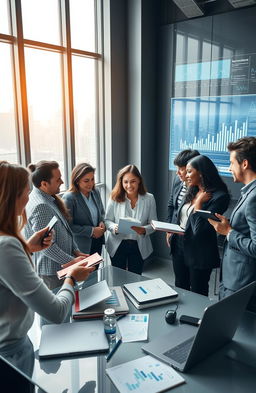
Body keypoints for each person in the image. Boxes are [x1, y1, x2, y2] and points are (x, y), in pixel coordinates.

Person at [0, 161, 94, 383]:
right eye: (25, 190)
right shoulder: (7, 246)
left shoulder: (8, 241)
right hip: (10, 353)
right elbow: (56, 311)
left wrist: (29, 247)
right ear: (13, 196)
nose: (29, 196)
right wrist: (71, 276)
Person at [170, 155, 230, 296]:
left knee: (198, 292)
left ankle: (197, 318)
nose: (186, 175)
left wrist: (198, 204)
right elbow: (180, 215)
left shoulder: (220, 197)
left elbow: (199, 230)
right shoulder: (193, 189)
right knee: (180, 286)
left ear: (201, 173)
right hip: (179, 245)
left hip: (199, 251)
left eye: (190, 171)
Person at [25, 161, 87, 290]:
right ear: (44, 184)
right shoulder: (41, 206)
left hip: (60, 267)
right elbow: (47, 247)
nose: (62, 182)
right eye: (58, 179)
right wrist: (72, 262)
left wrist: (75, 251)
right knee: (61, 306)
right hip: (52, 272)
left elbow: (64, 229)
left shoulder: (47, 198)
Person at [208, 137, 256, 300]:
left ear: (244, 164)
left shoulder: (254, 197)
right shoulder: (249, 192)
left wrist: (228, 232)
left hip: (240, 283)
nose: (229, 168)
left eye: (231, 163)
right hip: (234, 278)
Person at [105, 164, 157, 274]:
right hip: (117, 244)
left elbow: (153, 223)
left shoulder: (149, 198)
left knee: (136, 278)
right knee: (118, 277)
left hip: (139, 245)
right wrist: (115, 228)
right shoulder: (114, 197)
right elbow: (107, 220)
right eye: (125, 182)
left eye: (133, 181)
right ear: (121, 182)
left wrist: (144, 230)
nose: (129, 185)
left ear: (139, 181)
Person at [166, 149, 200, 288]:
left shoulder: (202, 188)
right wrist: (168, 229)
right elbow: (170, 205)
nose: (177, 173)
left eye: (181, 169)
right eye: (177, 168)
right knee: (180, 282)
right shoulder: (177, 181)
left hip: (194, 243)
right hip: (177, 238)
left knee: (197, 285)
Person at [62, 163, 105, 259]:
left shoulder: (95, 192)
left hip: (97, 241)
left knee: (95, 271)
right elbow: (68, 226)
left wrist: (102, 222)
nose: (91, 183)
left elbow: (101, 212)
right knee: (85, 273)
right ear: (77, 181)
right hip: (81, 246)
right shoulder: (69, 198)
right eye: (86, 181)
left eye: (92, 179)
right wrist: (91, 231)